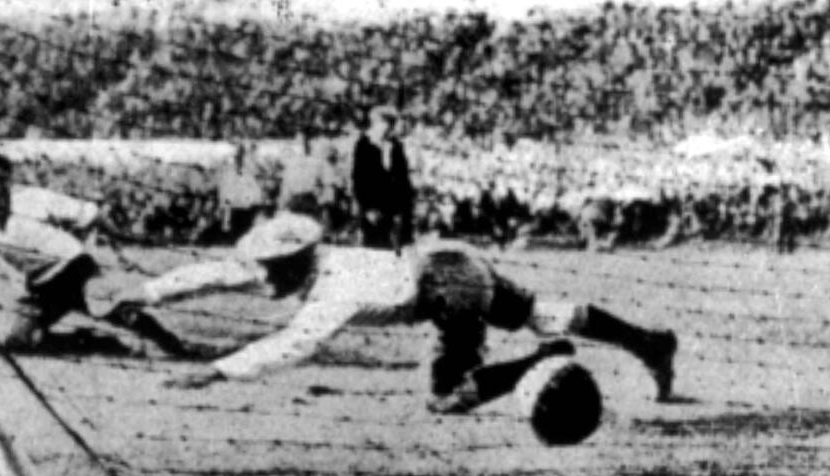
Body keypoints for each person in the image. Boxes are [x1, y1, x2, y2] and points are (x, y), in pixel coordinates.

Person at [107, 212, 678, 412]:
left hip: (444, 287)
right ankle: (648, 342)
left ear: (294, 260)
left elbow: (295, 344)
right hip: (450, 258)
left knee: (445, 398)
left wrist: (216, 371)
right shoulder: (305, 263)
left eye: (269, 268)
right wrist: (146, 294)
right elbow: (216, 273)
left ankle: (542, 360)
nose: (260, 278)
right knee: (544, 311)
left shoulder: (335, 287)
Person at [0, 153, 189, 355]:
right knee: (20, 343)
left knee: (110, 309)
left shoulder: (34, 197)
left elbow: (91, 213)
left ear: (10, 180)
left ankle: (172, 344)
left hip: (74, 269)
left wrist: (120, 248)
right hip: (42, 286)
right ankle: (97, 342)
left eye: (0, 179)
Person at [352, 105, 415, 251]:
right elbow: (359, 179)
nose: (388, 128)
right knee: (373, 248)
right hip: (372, 208)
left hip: (393, 208)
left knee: (395, 250)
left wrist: (403, 209)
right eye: (385, 123)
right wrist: (368, 208)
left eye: (391, 124)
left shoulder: (396, 146)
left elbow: (403, 179)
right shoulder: (364, 144)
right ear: (376, 123)